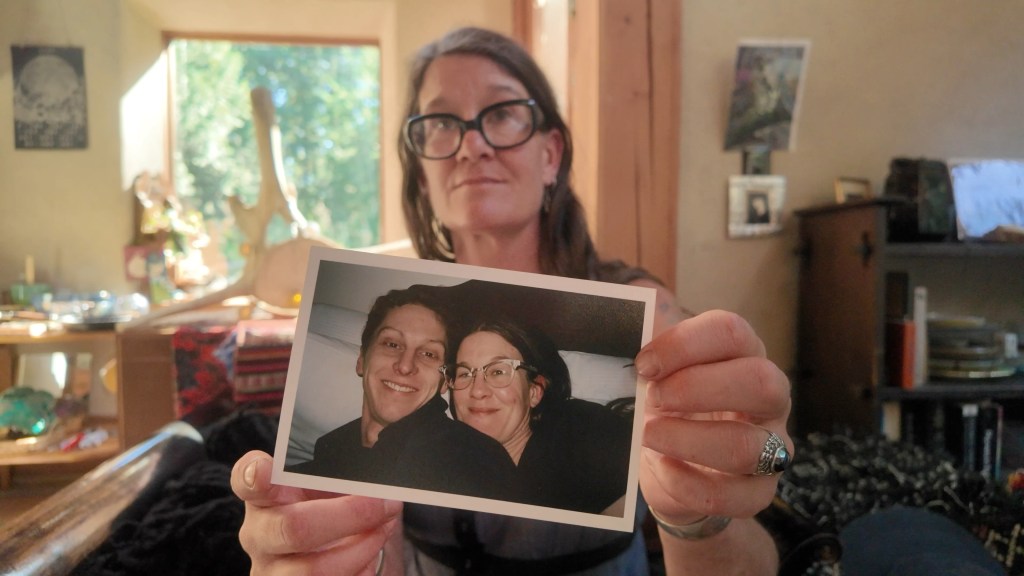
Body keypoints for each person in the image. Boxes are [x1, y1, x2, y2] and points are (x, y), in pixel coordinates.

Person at [231, 26, 792, 575]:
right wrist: (319, 549)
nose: (472, 145)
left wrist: (698, 508)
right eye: (443, 123)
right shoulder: (411, 322)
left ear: (551, 155)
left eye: (500, 114)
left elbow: (746, 556)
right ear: (422, 174)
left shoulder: (644, 313)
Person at [285, 285, 518, 500]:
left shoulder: (466, 456)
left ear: (446, 380)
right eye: (392, 344)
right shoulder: (332, 446)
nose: (405, 366)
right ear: (362, 359)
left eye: (429, 354)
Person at [439, 317, 632, 514]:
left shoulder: (582, 429)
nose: (477, 391)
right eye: (464, 374)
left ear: (533, 392)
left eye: (498, 371)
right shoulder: (442, 461)